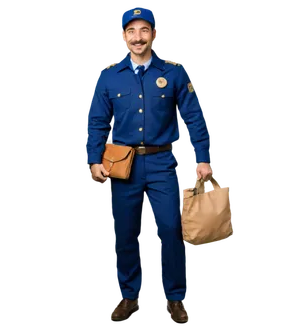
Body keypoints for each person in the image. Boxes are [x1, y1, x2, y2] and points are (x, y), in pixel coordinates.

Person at [85, 4, 213, 325]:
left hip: (162, 163)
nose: (138, 37)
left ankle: (175, 299)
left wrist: (204, 159)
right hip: (121, 164)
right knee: (125, 233)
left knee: (171, 230)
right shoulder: (108, 78)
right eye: (131, 31)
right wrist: (93, 161)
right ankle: (128, 298)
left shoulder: (174, 73)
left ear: (155, 35)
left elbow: (194, 117)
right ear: (122, 37)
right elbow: (96, 123)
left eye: (145, 31)